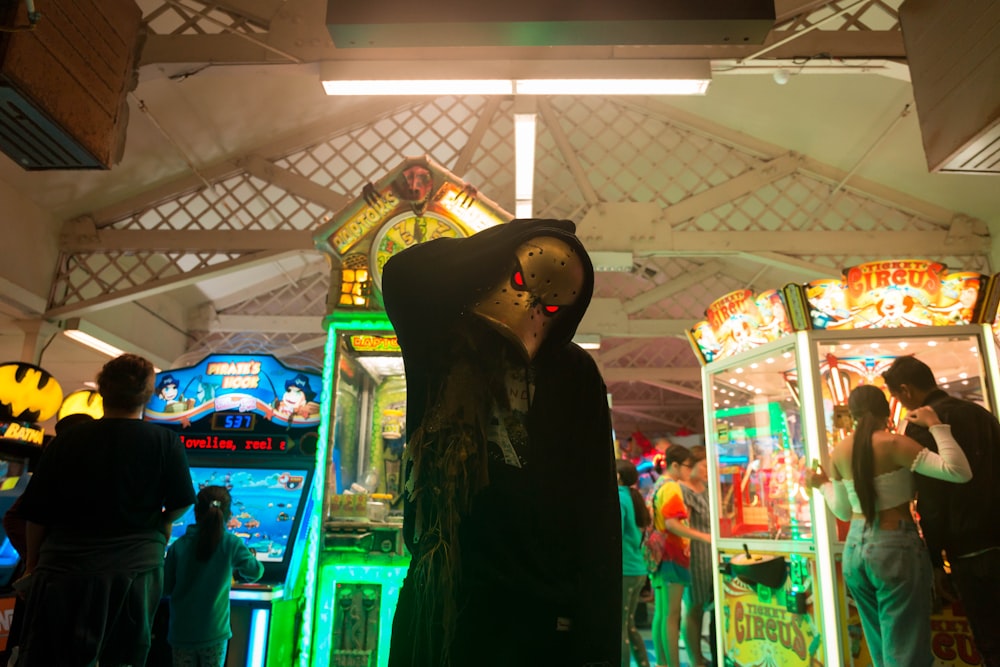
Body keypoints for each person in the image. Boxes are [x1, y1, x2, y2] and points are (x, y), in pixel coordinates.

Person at [381, 219, 621, 666]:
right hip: (440, 600)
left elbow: (595, 508)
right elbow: (404, 273)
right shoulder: (442, 344)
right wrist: (521, 236)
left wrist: (593, 639)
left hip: (535, 617)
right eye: (519, 280)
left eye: (551, 308)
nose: (527, 306)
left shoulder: (572, 372)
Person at [14, 353, 196, 666]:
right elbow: (182, 501)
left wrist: (33, 564)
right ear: (147, 395)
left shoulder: (68, 440)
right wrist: (160, 524)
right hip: (135, 572)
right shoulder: (165, 442)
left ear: (101, 391)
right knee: (122, 658)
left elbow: (37, 513)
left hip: (65, 572)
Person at [806, 383, 972, 667]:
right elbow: (959, 472)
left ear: (853, 413)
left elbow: (844, 512)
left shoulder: (839, 452)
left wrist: (821, 485)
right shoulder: (894, 443)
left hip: (855, 550)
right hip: (895, 546)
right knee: (906, 651)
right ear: (886, 410)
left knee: (881, 648)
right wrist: (936, 425)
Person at [881, 355, 1000, 667]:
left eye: (895, 396)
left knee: (991, 641)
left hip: (969, 552)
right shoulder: (981, 414)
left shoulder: (922, 425)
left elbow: (931, 500)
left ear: (905, 391)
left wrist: (935, 559)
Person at [164, 485, 264, 667]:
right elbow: (255, 572)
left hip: (181, 634)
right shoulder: (231, 543)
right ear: (228, 514)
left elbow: (165, 587)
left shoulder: (178, 546)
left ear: (196, 511)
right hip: (214, 634)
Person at [648, 444, 710, 667]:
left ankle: (663, 663)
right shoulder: (672, 488)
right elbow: (673, 524)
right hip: (672, 555)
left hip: (658, 556)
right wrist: (703, 537)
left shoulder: (658, 485)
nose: (689, 470)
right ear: (675, 465)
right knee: (671, 616)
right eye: (687, 466)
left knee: (662, 615)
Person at [680, 445, 714, 667]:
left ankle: (705, 656)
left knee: (707, 605)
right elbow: (678, 525)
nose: (707, 470)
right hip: (694, 556)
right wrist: (704, 537)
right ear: (691, 466)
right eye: (703, 465)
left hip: (710, 555)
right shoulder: (682, 491)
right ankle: (695, 659)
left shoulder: (707, 487)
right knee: (694, 607)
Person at [617, 459, 652, 667]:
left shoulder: (620, 499)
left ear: (618, 477)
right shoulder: (633, 497)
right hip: (638, 569)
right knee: (629, 625)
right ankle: (643, 663)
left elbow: (615, 534)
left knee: (620, 627)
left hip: (625, 570)